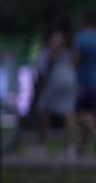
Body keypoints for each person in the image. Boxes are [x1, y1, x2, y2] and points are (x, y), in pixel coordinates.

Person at [31, 29, 79, 159]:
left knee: (44, 111)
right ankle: (70, 149)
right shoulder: (70, 52)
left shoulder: (48, 53)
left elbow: (41, 71)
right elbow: (75, 65)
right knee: (69, 114)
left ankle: (41, 147)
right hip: (70, 81)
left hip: (54, 82)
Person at [72, 14, 96, 153]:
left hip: (82, 81)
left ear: (84, 22)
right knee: (89, 112)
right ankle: (81, 148)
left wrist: (73, 78)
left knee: (80, 112)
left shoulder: (80, 39)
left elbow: (76, 59)